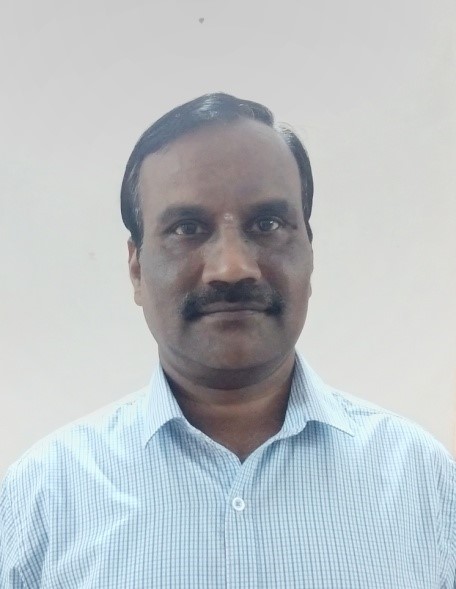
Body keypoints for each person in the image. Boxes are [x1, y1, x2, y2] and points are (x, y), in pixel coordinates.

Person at [0, 93, 454, 588]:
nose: (233, 268)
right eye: (187, 228)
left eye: (268, 224)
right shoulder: (44, 499)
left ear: (309, 250)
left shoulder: (422, 482)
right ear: (136, 268)